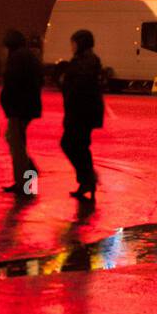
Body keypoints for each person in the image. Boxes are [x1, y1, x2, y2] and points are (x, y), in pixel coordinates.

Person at [60, 29, 104, 201]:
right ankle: (87, 181)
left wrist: (66, 82)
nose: (72, 46)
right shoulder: (85, 60)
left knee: (72, 145)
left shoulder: (86, 61)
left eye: (74, 43)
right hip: (82, 112)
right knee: (79, 146)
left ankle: (88, 179)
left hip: (81, 113)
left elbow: (79, 87)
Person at [0, 29, 43, 198]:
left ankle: (24, 184)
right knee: (16, 141)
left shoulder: (17, 58)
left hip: (18, 108)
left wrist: (9, 103)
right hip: (25, 107)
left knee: (16, 145)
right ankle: (28, 176)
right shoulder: (27, 56)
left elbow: (12, 84)